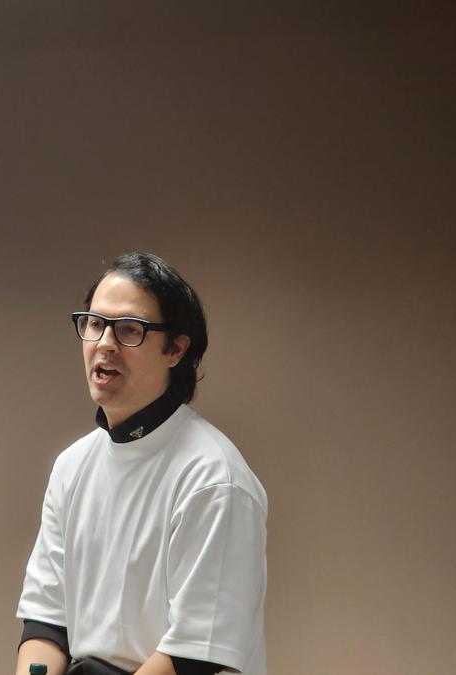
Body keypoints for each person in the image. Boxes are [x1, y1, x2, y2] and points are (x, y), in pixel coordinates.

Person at [15, 253, 268, 675]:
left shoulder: (213, 479)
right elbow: (47, 622)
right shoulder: (72, 466)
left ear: (176, 349)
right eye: (94, 324)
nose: (105, 343)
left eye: (129, 329)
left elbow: (193, 656)